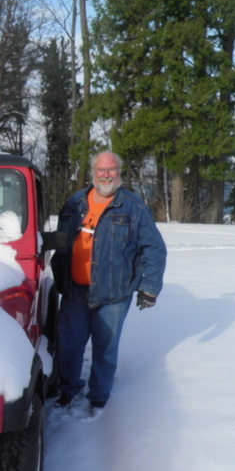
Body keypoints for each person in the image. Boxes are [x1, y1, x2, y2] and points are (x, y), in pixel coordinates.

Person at [50, 151, 166, 413]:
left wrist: (149, 287)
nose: (106, 175)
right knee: (68, 345)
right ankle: (67, 390)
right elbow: (61, 242)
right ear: (93, 172)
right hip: (75, 291)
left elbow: (154, 248)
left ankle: (99, 396)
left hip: (113, 293)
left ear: (119, 172)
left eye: (111, 170)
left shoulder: (133, 207)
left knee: (105, 348)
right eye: (101, 170)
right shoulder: (74, 203)